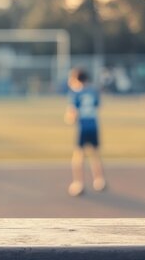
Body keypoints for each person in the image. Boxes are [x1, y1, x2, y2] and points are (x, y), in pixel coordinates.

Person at [64, 68, 106, 196]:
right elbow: (97, 106)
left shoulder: (76, 93)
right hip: (94, 125)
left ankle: (78, 183)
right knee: (95, 154)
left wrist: (69, 118)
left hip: (83, 127)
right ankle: (99, 180)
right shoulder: (94, 91)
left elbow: (72, 114)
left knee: (78, 155)